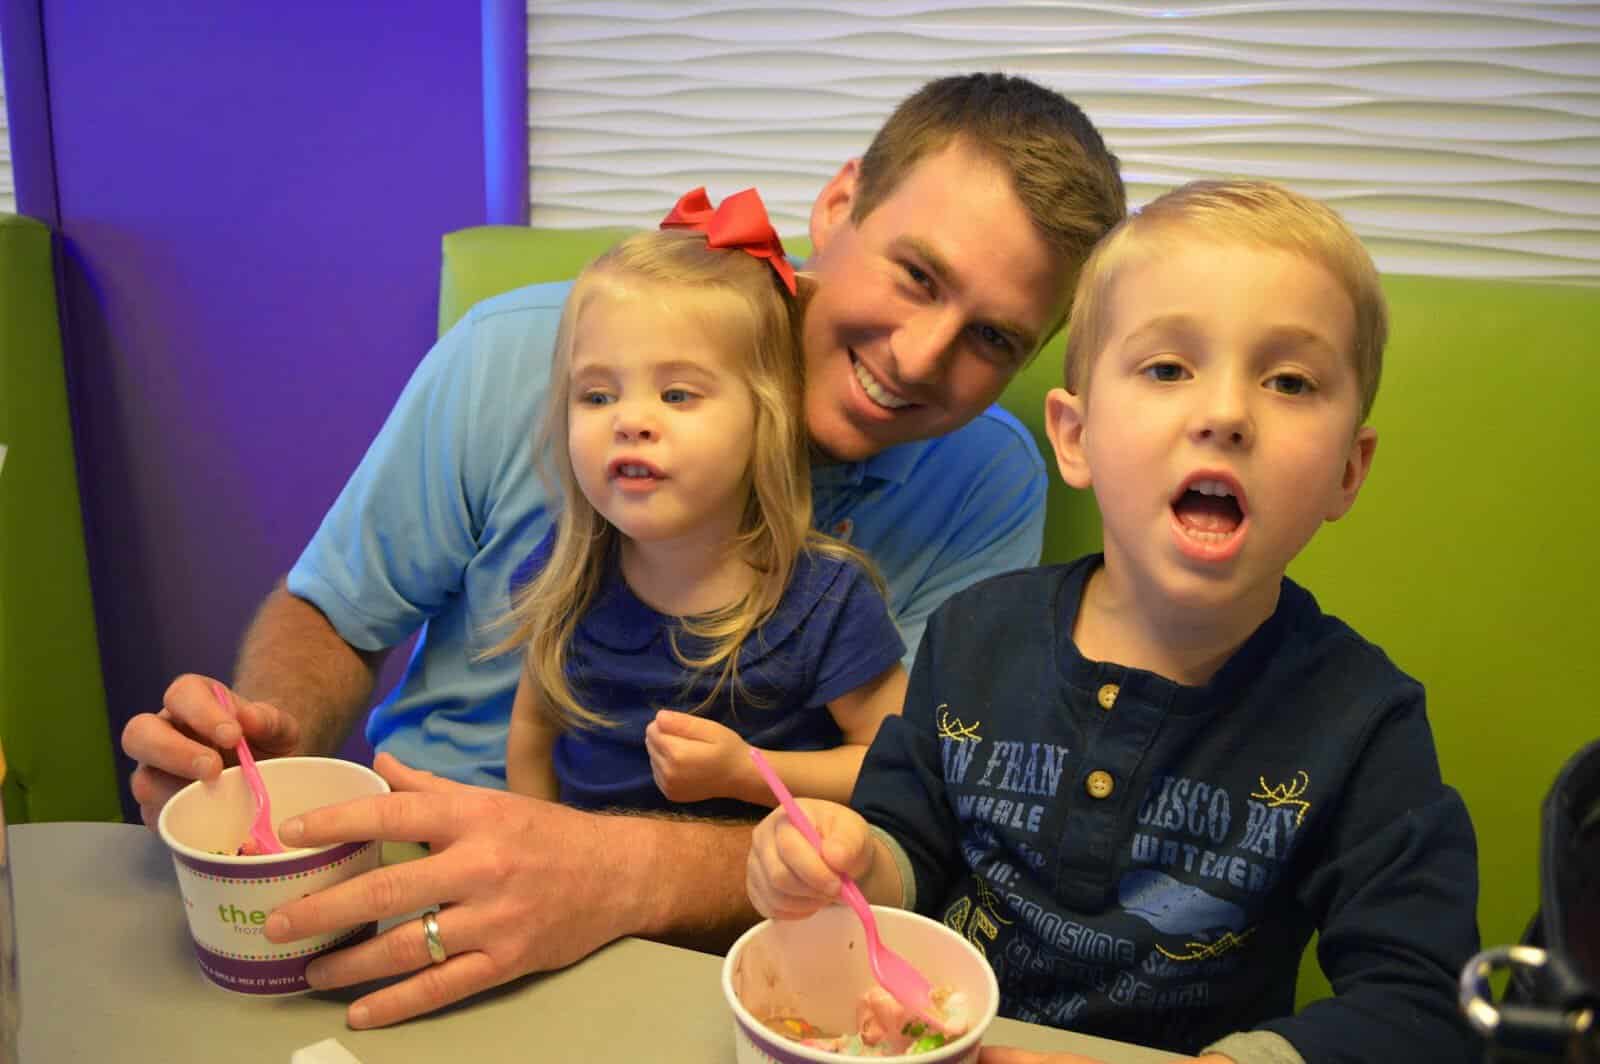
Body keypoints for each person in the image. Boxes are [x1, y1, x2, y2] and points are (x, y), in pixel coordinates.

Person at [121, 72, 1126, 1029]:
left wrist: (604, 869)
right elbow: (336, 612)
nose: (917, 357)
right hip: (401, 877)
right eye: (916, 275)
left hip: (715, 949)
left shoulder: (986, 480)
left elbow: (915, 802)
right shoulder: (518, 350)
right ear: (837, 204)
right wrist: (260, 748)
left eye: (991, 337)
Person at [747, 180, 1480, 1064]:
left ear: (1347, 471)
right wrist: (846, 862)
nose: (1223, 414)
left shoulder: (1365, 722)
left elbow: (1425, 1006)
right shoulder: (971, 636)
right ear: (1077, 436)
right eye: (1168, 368)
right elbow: (908, 843)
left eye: (1289, 381)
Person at [500, 190, 908, 813]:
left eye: (678, 395)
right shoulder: (569, 570)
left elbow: (895, 769)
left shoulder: (827, 602)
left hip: (759, 901)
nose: (630, 421)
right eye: (598, 396)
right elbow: (532, 737)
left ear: (764, 421)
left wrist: (749, 772)